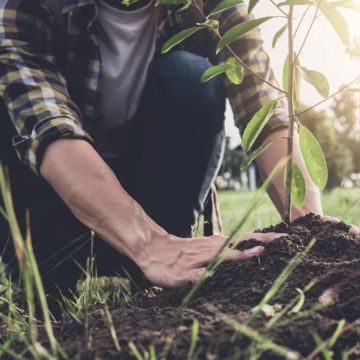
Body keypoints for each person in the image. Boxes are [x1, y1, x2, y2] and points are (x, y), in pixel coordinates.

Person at [0, 0, 355, 308]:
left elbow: (263, 108)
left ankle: (168, 264)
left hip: (155, 195)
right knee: (7, 111)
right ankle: (45, 270)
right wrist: (149, 244)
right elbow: (47, 129)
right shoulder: (28, 7)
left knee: (191, 77)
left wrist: (312, 234)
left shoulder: (212, 5)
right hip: (51, 210)